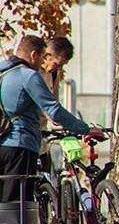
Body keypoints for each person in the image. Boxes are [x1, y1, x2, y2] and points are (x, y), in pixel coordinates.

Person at [0, 35, 102, 202]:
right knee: (16, 203)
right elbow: (54, 110)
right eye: (42, 57)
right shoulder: (29, 76)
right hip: (20, 143)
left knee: (4, 199)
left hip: (3, 141)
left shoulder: (4, 71)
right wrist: (85, 128)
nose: (42, 63)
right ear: (35, 55)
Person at [38, 37, 75, 172]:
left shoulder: (53, 75)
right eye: (57, 63)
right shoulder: (31, 72)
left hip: (42, 138)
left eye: (62, 66)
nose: (58, 68)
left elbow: (54, 103)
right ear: (48, 55)